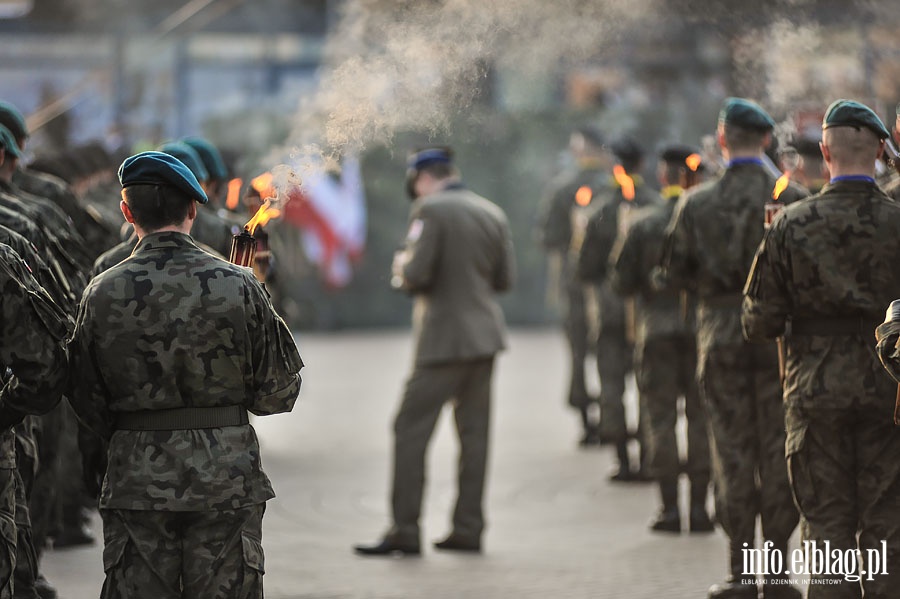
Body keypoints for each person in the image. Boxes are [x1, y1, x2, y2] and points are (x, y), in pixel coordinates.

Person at [67, 151, 304, 598]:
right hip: (225, 478)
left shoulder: (101, 290)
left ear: (126, 211)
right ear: (193, 209)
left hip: (136, 476)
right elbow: (280, 392)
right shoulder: (239, 283)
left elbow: (83, 397)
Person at [743, 99, 900, 598]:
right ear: (880, 151)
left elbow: (759, 321)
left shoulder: (789, 224)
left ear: (826, 153)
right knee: (887, 532)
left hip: (814, 394)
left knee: (829, 533)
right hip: (890, 395)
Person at [659, 97, 806, 599]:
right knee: (780, 450)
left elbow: (672, 272)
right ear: (766, 139)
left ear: (722, 140)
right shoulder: (795, 199)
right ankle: (780, 574)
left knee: (732, 452)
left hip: (719, 337)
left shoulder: (695, 203)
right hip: (780, 344)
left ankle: (742, 574)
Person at [354, 146, 514, 556]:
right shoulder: (491, 212)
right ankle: (469, 527)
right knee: (474, 439)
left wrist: (400, 268)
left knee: (409, 430)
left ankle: (405, 529)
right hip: (484, 340)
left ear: (422, 179)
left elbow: (416, 273)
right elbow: (504, 279)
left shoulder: (430, 210)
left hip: (442, 343)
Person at [610, 144, 712, 532]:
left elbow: (619, 281)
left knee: (660, 418)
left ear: (661, 176)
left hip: (656, 331)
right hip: (700, 331)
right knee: (700, 419)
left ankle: (669, 509)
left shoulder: (643, 223)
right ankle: (701, 508)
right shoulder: (704, 220)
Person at [578, 135, 658, 482]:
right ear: (641, 165)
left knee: (612, 386)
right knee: (647, 386)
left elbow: (584, 268)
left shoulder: (599, 211)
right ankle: (649, 456)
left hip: (610, 310)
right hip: (647, 311)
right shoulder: (655, 206)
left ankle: (622, 460)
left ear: (616, 166)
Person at [537, 126, 610, 446]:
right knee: (611, 350)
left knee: (578, 350)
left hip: (575, 279)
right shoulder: (615, 185)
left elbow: (547, 237)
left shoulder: (561, 188)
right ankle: (614, 419)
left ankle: (586, 421)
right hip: (610, 280)